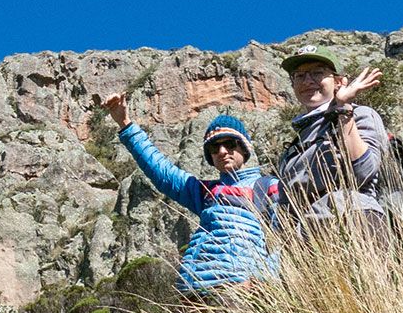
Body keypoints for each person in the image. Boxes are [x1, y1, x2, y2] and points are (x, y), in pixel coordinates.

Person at [101, 102, 281, 292]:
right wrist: (124, 123)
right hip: (191, 291)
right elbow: (162, 171)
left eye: (229, 143)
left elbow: (290, 241)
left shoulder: (267, 187)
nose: (221, 151)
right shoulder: (206, 191)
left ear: (244, 148)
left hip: (235, 288)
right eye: (214, 147)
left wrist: (260, 280)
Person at [273, 51, 391, 230]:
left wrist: (343, 107)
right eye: (299, 76)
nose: (307, 81)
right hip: (306, 237)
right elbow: (285, 205)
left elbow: (363, 172)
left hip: (355, 219)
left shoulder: (360, 115)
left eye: (318, 73)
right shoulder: (293, 146)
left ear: (338, 82)